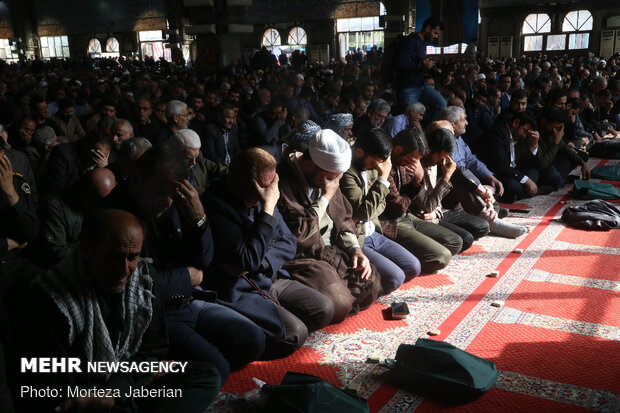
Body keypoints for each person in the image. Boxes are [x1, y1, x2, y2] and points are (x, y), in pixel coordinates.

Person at [14, 209, 221, 412]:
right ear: (86, 250)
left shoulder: (144, 280)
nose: (124, 270)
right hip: (85, 395)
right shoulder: (51, 300)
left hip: (123, 386)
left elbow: (151, 350)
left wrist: (115, 391)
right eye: (114, 257)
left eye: (132, 257)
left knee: (207, 376)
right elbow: (57, 382)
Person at [104, 145, 265, 385]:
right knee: (214, 369)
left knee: (253, 339)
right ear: (137, 179)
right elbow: (127, 284)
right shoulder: (114, 216)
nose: (167, 201)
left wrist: (198, 219)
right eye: (160, 191)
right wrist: (184, 277)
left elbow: (204, 261)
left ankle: (180, 359)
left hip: (188, 300)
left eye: (173, 194)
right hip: (152, 313)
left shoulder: (175, 201)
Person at [206, 148, 332, 348]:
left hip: (268, 275)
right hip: (239, 289)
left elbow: (289, 242)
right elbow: (246, 260)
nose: (266, 193)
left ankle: (273, 317)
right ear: (241, 180)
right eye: (260, 188)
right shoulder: (216, 205)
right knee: (295, 335)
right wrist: (266, 210)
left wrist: (261, 262)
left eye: (270, 186)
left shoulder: (264, 193)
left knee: (324, 309)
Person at [277, 129, 382, 322]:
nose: (334, 183)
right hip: (303, 255)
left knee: (371, 282)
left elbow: (343, 218)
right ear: (310, 165)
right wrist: (325, 198)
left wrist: (355, 249)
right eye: (331, 177)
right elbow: (299, 233)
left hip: (330, 249)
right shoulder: (283, 181)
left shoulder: (327, 175)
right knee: (339, 304)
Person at [340, 128, 421, 294]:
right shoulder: (347, 172)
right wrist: (383, 179)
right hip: (358, 237)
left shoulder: (371, 165)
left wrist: (366, 211)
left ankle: (373, 280)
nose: (377, 167)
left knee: (414, 267)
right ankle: (363, 288)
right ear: (360, 152)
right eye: (374, 163)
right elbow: (363, 212)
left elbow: (381, 204)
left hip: (374, 231)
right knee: (396, 278)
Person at [380, 128, 462, 272]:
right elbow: (397, 208)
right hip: (392, 222)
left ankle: (412, 250)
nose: (416, 164)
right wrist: (419, 180)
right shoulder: (386, 166)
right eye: (413, 160)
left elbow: (409, 200)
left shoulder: (407, 163)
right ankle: (400, 255)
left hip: (409, 216)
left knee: (456, 242)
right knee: (442, 256)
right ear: (398, 149)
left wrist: (417, 181)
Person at [36, 168, 116, 266]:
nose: (102, 206)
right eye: (97, 201)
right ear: (86, 193)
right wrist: (93, 255)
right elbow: (55, 251)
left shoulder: (98, 201)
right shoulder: (54, 206)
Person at [479, 111, 541, 202]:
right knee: (512, 184)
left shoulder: (520, 137)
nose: (524, 135)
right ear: (516, 123)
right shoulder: (498, 134)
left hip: (512, 173)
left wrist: (534, 146)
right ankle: (524, 193)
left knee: (534, 172)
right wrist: (526, 180)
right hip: (496, 175)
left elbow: (529, 163)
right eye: (524, 131)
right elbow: (501, 166)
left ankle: (517, 195)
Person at [394, 17, 447, 120]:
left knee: (442, 104)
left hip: (421, 85)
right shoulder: (411, 40)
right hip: (408, 87)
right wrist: (421, 64)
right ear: (428, 28)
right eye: (435, 33)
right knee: (409, 119)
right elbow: (400, 63)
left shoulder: (422, 42)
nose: (436, 37)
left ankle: (430, 131)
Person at [168, 129, 228, 196]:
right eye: (188, 158)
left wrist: (233, 173)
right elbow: (199, 193)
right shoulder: (170, 172)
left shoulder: (197, 156)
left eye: (196, 156)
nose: (194, 162)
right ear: (175, 154)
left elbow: (217, 168)